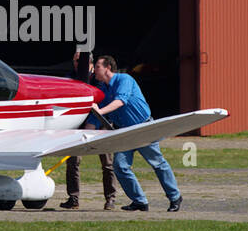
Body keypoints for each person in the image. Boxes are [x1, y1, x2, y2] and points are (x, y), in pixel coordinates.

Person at [90, 55, 183, 212]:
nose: (94, 70)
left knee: (157, 163)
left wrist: (100, 111)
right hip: (124, 132)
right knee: (120, 167)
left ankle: (175, 197)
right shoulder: (103, 89)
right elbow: (95, 117)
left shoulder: (124, 79)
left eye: (97, 66)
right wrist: (87, 133)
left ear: (108, 68)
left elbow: (121, 101)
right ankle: (139, 201)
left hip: (143, 129)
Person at [61, 50, 117, 210]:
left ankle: (111, 198)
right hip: (78, 124)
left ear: (91, 63)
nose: (77, 64)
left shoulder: (100, 79)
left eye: (81, 61)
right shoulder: (70, 77)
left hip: (100, 123)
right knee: (72, 162)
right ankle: (73, 198)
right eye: (76, 61)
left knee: (107, 164)